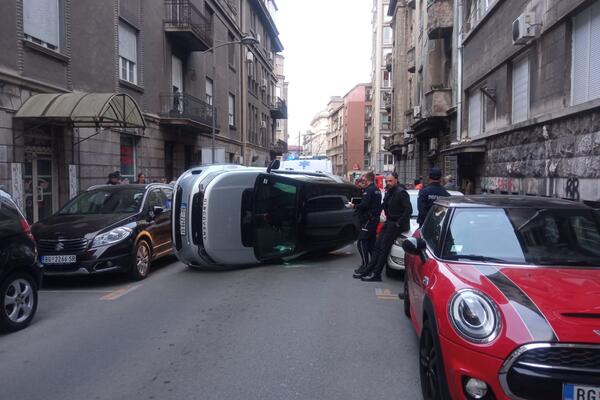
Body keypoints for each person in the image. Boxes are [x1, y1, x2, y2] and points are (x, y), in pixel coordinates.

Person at [356, 172, 412, 282]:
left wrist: (398, 223)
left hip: (395, 224)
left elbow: (408, 210)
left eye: (390, 181)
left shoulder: (401, 193)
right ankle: (368, 270)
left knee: (383, 249)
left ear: (396, 180)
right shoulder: (389, 192)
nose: (388, 183)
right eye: (387, 181)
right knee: (377, 246)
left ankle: (376, 274)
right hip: (389, 222)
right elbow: (383, 206)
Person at [348, 171, 382, 277]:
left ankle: (365, 266)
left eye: (364, 179)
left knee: (361, 242)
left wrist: (353, 206)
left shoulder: (369, 190)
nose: (363, 181)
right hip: (374, 219)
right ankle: (372, 267)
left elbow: (365, 205)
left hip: (369, 220)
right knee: (371, 244)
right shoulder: (377, 190)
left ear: (367, 179)